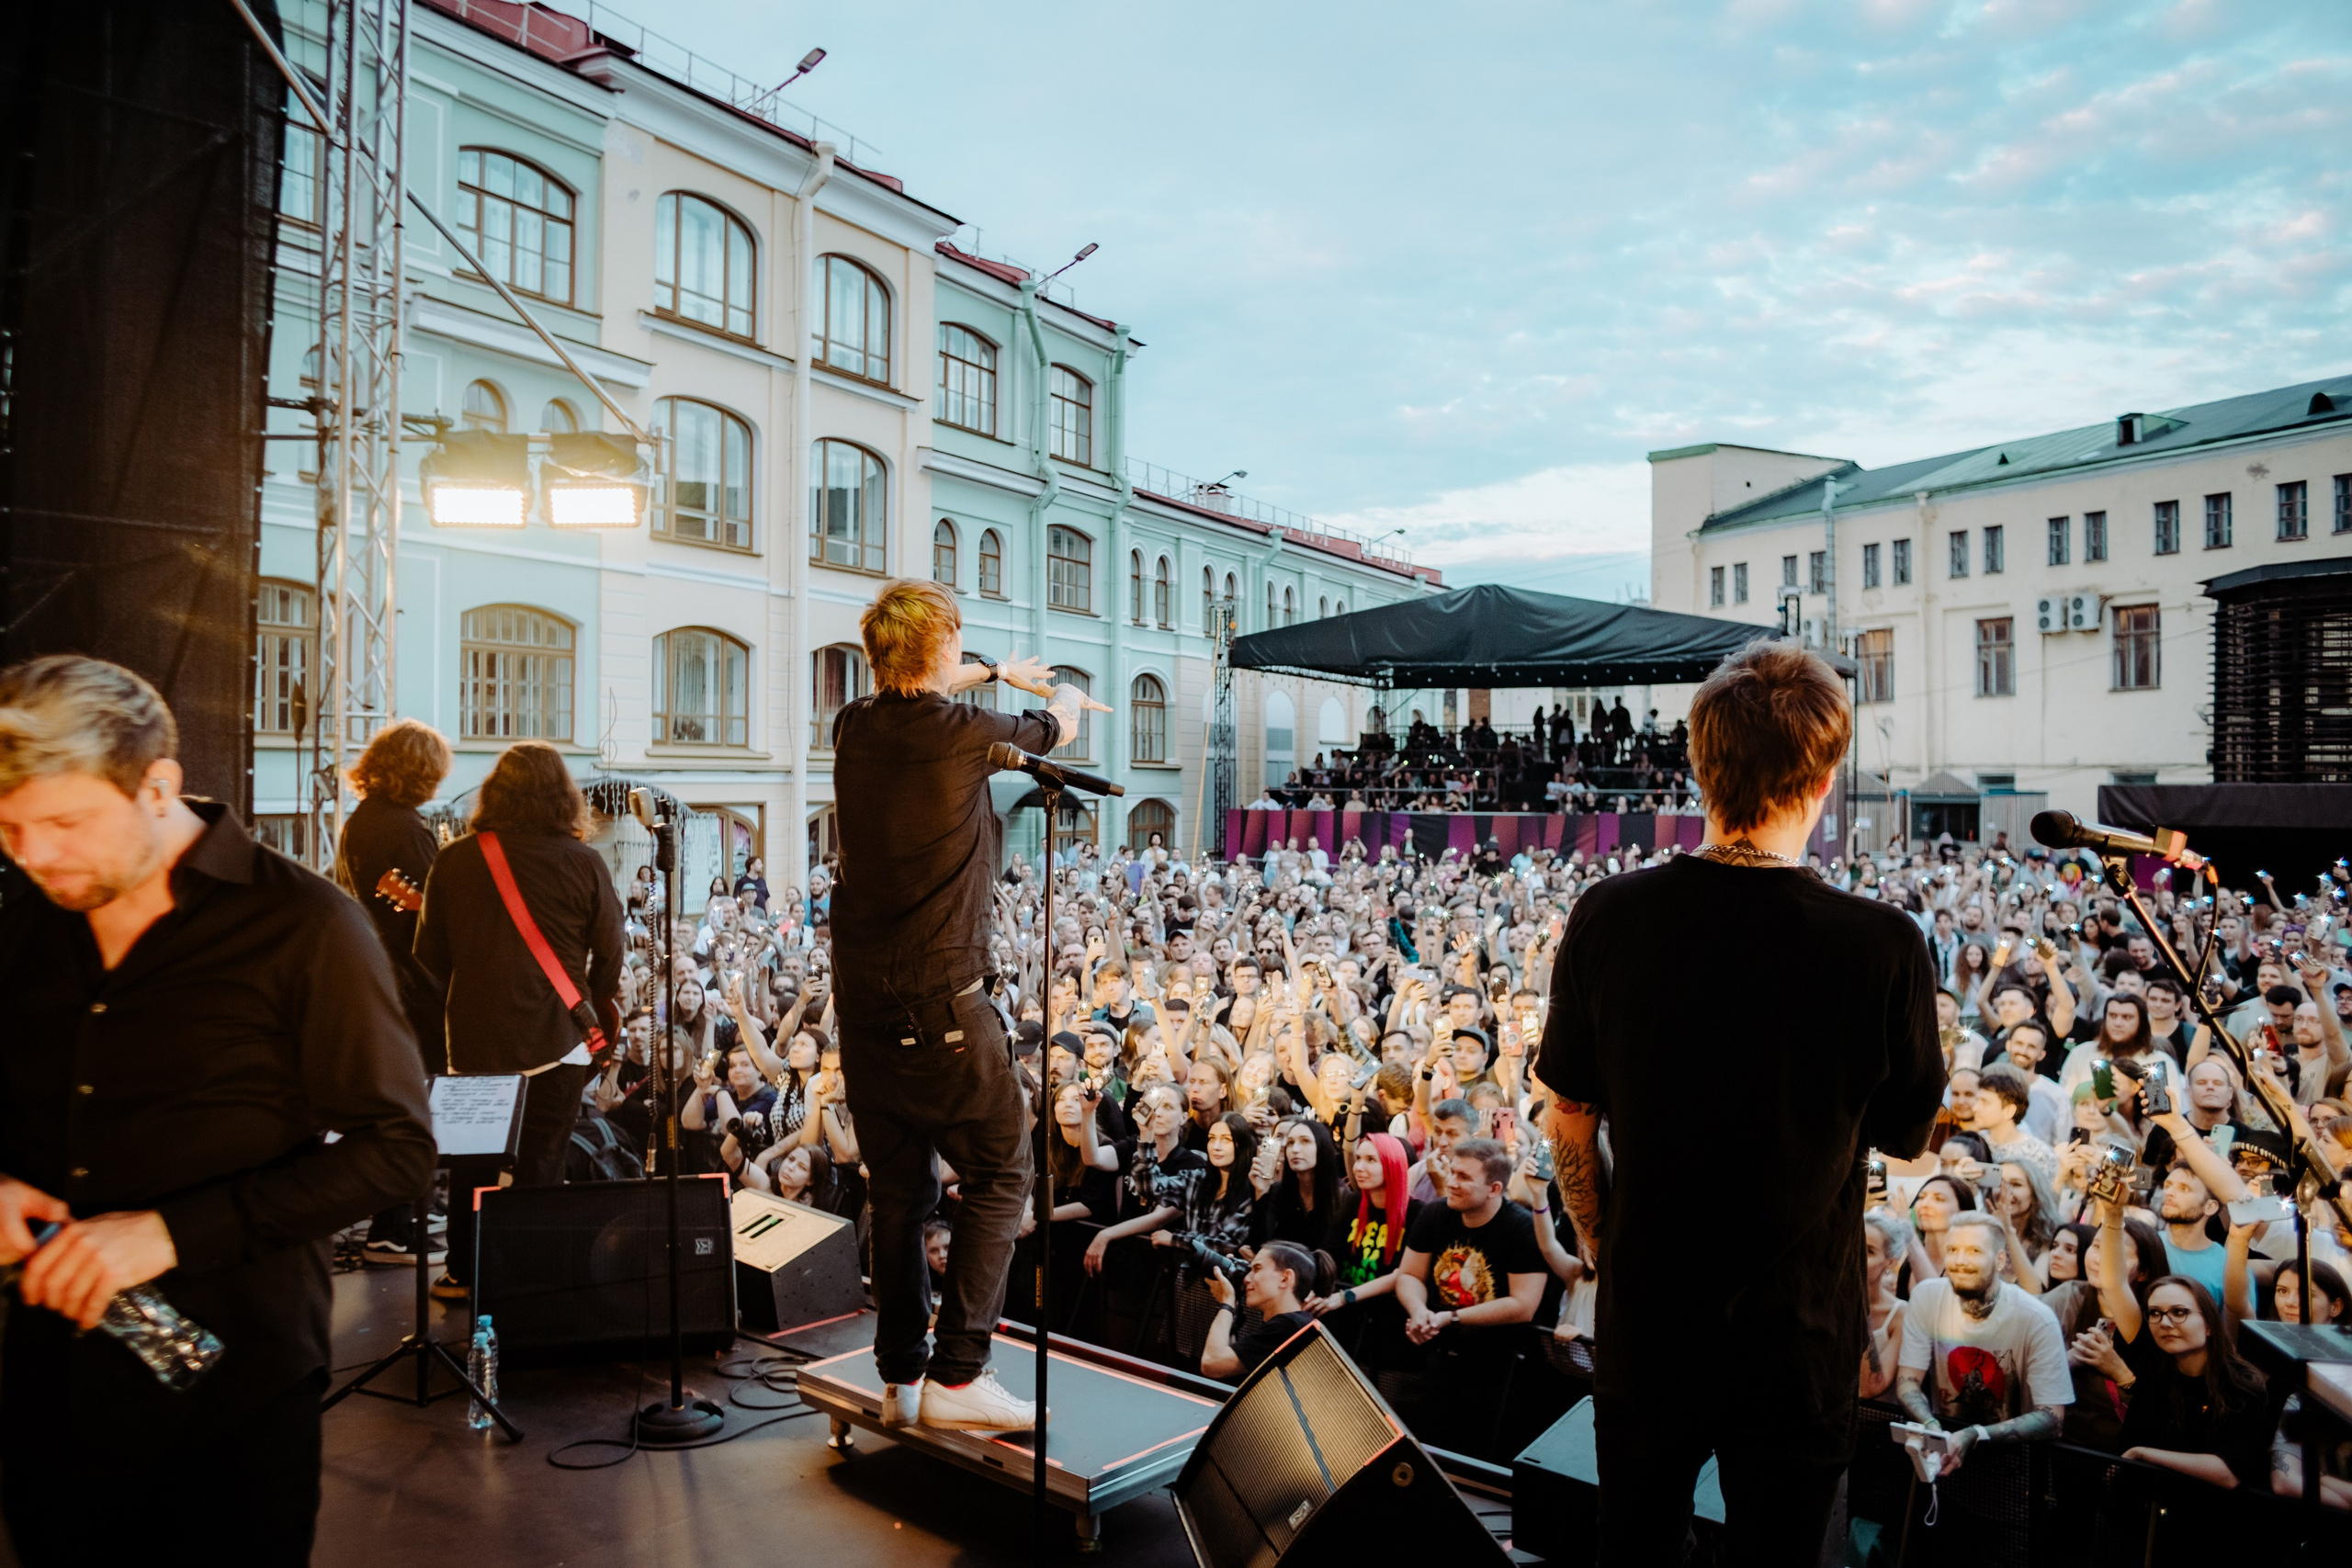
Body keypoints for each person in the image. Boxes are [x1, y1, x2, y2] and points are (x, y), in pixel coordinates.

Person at [0, 655, 435, 1564]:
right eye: (10, 829)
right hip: (48, 1374)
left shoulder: (305, 925)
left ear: (157, 786)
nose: (36, 855)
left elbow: (395, 1149)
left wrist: (168, 1233)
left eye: (68, 823)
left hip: (230, 1388)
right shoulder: (25, 919)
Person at [1542, 642, 1945, 1565]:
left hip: (1648, 1317)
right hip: (1797, 1337)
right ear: (1828, 775)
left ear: (1696, 763)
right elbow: (1907, 1136)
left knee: (1632, 1550)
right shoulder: (1883, 945)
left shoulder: (1610, 913)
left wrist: (1606, 1247)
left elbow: (1568, 1116)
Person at [828, 578, 1102, 1434]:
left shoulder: (854, 724)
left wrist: (986, 672)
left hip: (863, 1007)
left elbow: (921, 689)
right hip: (941, 996)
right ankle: (958, 1374)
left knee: (901, 1191)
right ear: (941, 646)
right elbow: (1060, 728)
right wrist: (1058, 690)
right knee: (1001, 1168)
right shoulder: (965, 732)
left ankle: (900, 1375)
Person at [413, 741, 625, 1303]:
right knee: (542, 1163)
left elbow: (428, 962)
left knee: (471, 1165)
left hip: (476, 1043)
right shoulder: (585, 862)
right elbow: (610, 955)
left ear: (494, 793)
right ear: (564, 797)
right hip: (560, 1038)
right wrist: (594, 1001)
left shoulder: (453, 860)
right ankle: (532, 1285)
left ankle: (463, 1271)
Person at [334, 717, 455, 1267]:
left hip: (386, 977)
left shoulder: (362, 821)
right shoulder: (403, 828)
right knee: (421, 1104)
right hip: (416, 986)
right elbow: (431, 908)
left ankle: (409, 1206)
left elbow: (392, 898)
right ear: (420, 772)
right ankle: (394, 1229)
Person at [1894, 1212, 2072, 1564]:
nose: (1960, 1260)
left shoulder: (2034, 1317)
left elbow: (2052, 1417)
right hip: (1943, 1474)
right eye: (1954, 1250)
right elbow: (1908, 1382)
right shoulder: (1929, 1297)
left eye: (1974, 1251)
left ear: (2001, 1259)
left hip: (2013, 1488)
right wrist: (1932, 1428)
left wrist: (1976, 1434)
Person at [1200, 1240, 1333, 1382]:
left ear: (1285, 1278)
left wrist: (1227, 1303)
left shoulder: (1289, 1327)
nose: (1246, 1278)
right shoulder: (1296, 1323)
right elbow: (1227, 1362)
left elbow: (1212, 1363)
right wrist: (1231, 1305)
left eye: (1257, 1269)